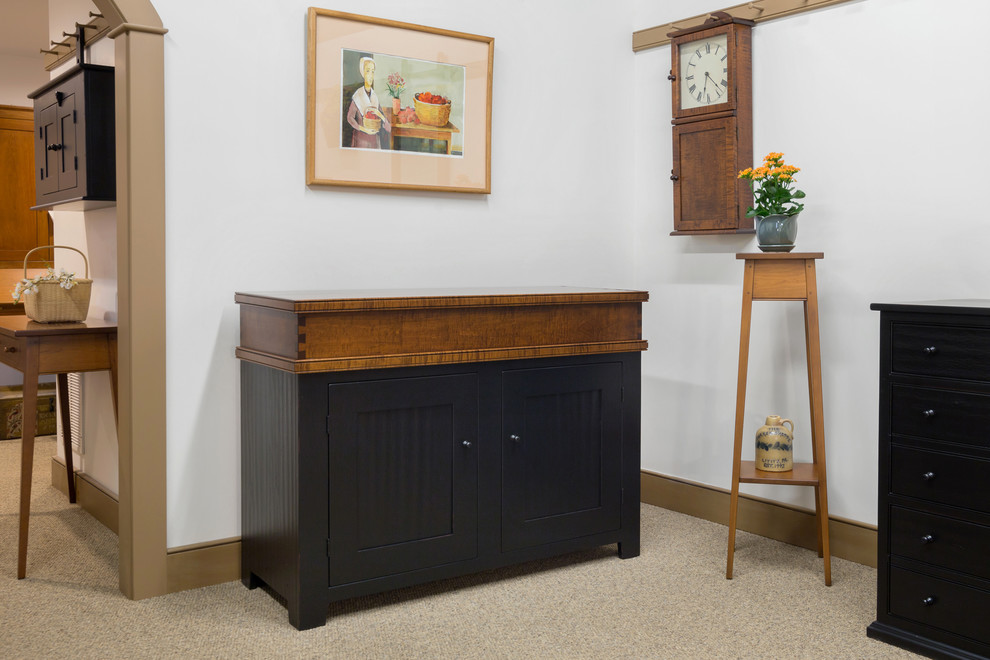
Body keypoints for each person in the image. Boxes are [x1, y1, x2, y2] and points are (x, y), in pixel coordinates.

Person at [346, 56, 391, 149]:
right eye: (367, 71)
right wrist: (364, 129)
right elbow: (350, 118)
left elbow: (388, 128)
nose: (370, 75)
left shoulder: (375, 97)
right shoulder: (357, 96)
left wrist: (380, 114)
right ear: (362, 73)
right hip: (361, 141)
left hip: (375, 142)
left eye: (372, 71)